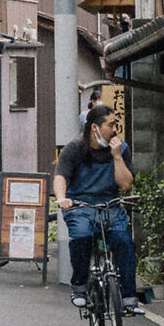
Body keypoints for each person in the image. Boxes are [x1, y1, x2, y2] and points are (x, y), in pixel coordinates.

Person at [54, 103, 141, 315]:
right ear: (95, 127)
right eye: (111, 125)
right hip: (79, 206)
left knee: (124, 243)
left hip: (110, 204)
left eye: (115, 124)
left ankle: (129, 298)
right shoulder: (74, 149)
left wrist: (117, 156)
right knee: (82, 236)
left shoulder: (122, 149)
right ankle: (80, 288)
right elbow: (60, 176)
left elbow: (125, 185)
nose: (115, 129)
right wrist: (62, 198)